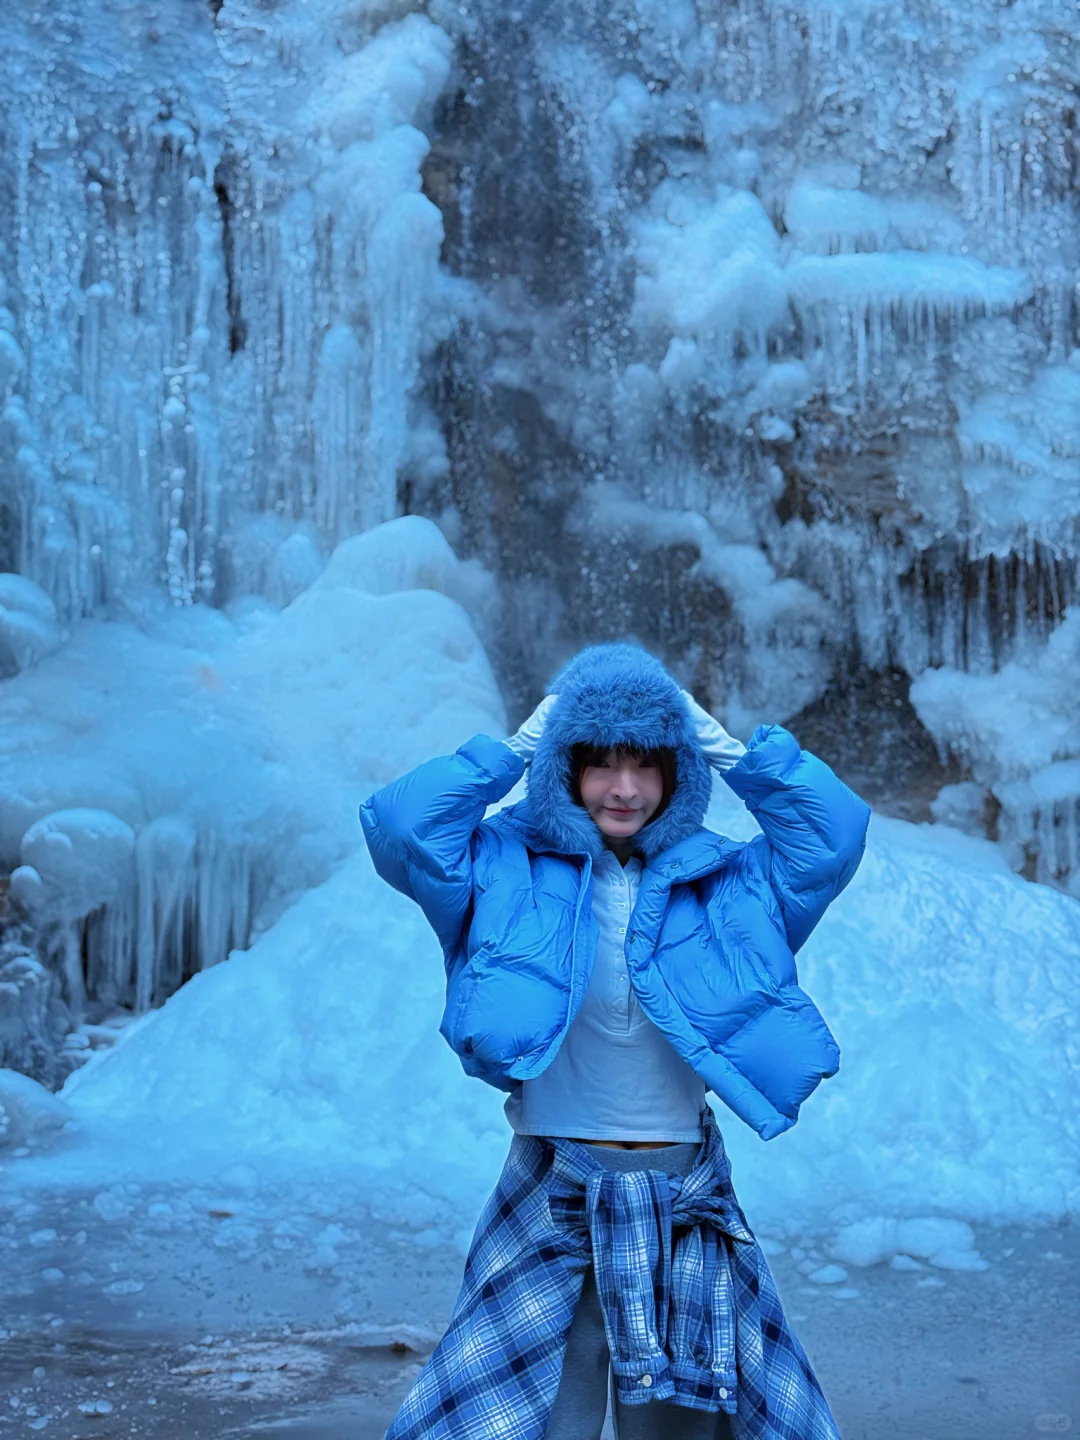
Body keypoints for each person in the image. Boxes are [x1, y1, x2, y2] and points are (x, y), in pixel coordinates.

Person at [359, 642, 871, 1440]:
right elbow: (401, 825)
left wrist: (713, 737)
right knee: (531, 1427)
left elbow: (831, 837)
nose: (624, 789)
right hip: (550, 1190)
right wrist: (530, 736)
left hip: (682, 1198)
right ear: (565, 767)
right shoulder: (502, 868)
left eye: (648, 763)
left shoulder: (733, 887)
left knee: (674, 1432)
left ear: (677, 772)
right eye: (598, 762)